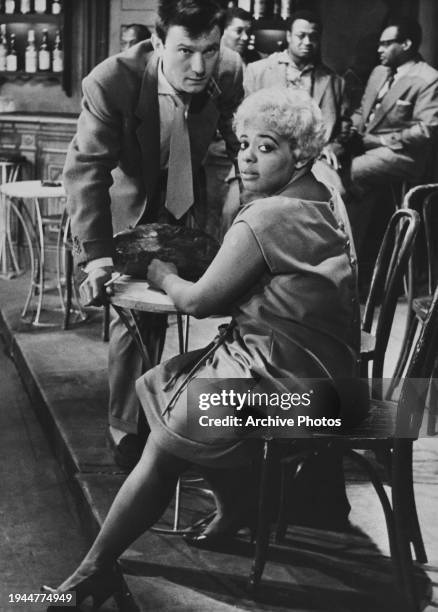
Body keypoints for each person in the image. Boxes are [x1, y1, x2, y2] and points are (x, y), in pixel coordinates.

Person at [43, 87, 363, 609]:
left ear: (299, 153)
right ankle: (233, 510)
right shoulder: (324, 194)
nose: (248, 157)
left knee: (177, 422)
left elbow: (198, 302)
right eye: (243, 144)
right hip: (328, 380)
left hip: (300, 401)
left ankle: (91, 572)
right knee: (183, 382)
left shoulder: (267, 217)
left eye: (267, 147)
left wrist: (163, 272)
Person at [63, 0, 244, 470]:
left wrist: (239, 189)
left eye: (210, 49)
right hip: (132, 201)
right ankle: (127, 430)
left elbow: (240, 137)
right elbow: (86, 171)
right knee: (136, 319)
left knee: (210, 306)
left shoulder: (226, 71)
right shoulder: (111, 81)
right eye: (185, 50)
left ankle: (186, 419)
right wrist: (98, 259)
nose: (200, 65)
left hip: (188, 200)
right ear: (158, 43)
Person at [346, 17, 438, 280]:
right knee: (328, 171)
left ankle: (351, 264)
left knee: (350, 174)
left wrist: (382, 141)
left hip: (402, 156)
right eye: (380, 44)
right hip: (367, 149)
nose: (380, 49)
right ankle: (354, 265)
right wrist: (348, 132)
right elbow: (362, 114)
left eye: (387, 44)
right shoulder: (378, 73)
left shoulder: (428, 78)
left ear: (406, 44)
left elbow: (426, 129)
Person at [204, 6, 260, 239]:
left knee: (231, 216)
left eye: (248, 32)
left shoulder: (255, 65)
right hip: (209, 153)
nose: (245, 38)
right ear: (221, 31)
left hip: (235, 153)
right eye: (238, 31)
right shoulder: (207, 64)